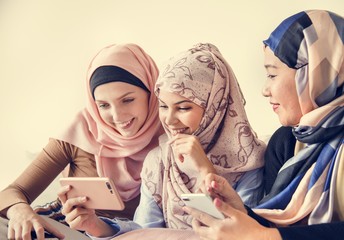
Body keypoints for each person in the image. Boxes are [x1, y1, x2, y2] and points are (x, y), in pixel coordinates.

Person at [58, 43, 266, 239]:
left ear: (215, 106)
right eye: (163, 106)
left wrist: (205, 171)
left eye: (183, 108)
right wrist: (95, 225)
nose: (168, 119)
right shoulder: (159, 159)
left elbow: (244, 233)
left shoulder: (248, 160)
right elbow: (145, 233)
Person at [185, 9, 344, 240]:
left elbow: (270, 236)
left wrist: (263, 237)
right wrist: (239, 211)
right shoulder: (288, 141)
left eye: (272, 75)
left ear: (313, 74)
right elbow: (278, 226)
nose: (264, 90)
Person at [0, 43, 163, 240]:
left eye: (127, 100)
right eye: (103, 105)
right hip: (57, 227)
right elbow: (13, 192)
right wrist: (19, 210)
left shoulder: (171, 142)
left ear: (151, 93)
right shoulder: (80, 131)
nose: (117, 116)